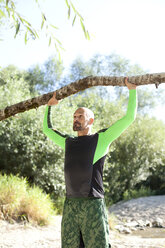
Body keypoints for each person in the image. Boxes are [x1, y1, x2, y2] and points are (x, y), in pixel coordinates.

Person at [43, 78, 137, 248]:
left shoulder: (101, 139)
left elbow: (129, 118)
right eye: (74, 116)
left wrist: (132, 90)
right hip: (70, 204)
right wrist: (49, 106)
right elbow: (47, 130)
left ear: (91, 121)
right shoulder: (68, 142)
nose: (76, 119)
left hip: (92, 204)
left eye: (80, 116)